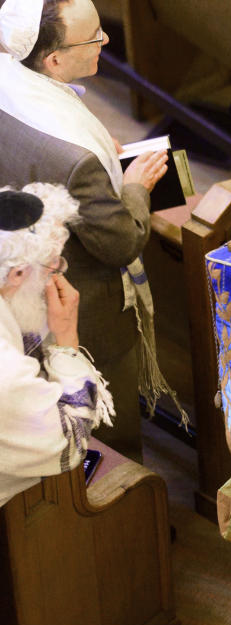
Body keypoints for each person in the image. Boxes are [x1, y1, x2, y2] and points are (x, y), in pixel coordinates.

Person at [0, 0, 178, 462]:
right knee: (104, 437)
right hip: (78, 305)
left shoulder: (10, 80)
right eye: (95, 36)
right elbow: (120, 241)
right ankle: (131, 515)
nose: (107, 41)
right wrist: (135, 186)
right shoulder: (75, 158)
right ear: (53, 59)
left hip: (16, 288)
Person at [0, 183, 113, 506]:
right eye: (53, 266)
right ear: (18, 273)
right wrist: (66, 341)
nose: (57, 274)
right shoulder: (5, 371)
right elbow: (66, 443)